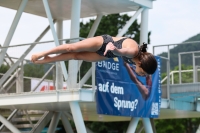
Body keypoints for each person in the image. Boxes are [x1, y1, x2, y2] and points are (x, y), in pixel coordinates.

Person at [31, 34, 157, 75]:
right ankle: (43, 53)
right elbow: (122, 51)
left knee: (76, 56)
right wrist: (114, 49)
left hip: (107, 54)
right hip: (104, 43)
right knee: (72, 48)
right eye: (144, 73)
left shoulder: (137, 59)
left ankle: (46, 60)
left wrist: (112, 52)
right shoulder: (134, 52)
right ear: (140, 64)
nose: (144, 76)